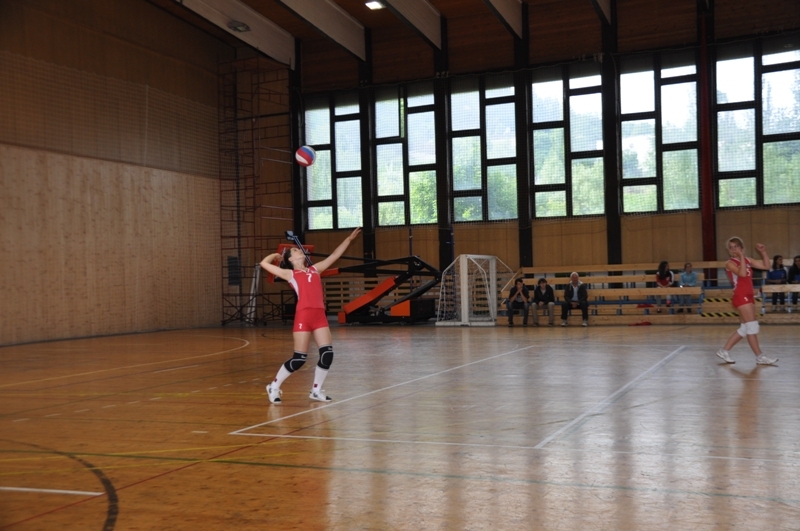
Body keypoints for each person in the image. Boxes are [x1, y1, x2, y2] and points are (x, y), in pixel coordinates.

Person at [259, 227, 362, 403]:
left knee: (327, 354)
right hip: (304, 317)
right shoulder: (290, 274)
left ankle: (316, 390)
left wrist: (349, 239)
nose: (299, 250)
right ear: (291, 259)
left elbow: (334, 256)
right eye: (295, 250)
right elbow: (264, 264)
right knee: (299, 359)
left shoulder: (315, 269)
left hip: (319, 316)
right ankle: (273, 386)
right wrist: (274, 256)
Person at [716, 237, 778, 366]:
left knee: (744, 328)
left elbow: (766, 266)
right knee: (752, 326)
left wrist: (763, 252)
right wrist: (741, 257)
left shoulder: (748, 260)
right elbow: (742, 274)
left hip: (748, 295)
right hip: (740, 295)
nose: (733, 249)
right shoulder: (729, 263)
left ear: (742, 248)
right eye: (731, 247)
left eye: (736, 246)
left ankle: (724, 350)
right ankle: (760, 356)